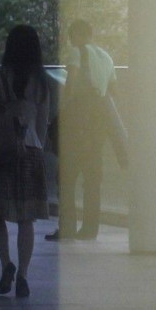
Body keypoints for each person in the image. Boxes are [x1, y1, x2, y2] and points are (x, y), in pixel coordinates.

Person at [0, 25, 52, 297]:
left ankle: (6, 264)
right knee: (26, 218)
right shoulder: (42, 83)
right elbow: (42, 126)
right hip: (29, 153)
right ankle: (24, 275)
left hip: (0, 154)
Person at [46, 19, 117, 241]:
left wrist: (66, 111)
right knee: (92, 178)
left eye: (70, 36)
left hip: (78, 125)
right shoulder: (106, 57)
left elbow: (72, 83)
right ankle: (89, 229)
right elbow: (113, 91)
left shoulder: (76, 52)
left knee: (66, 176)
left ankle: (67, 227)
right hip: (98, 124)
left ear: (76, 35)